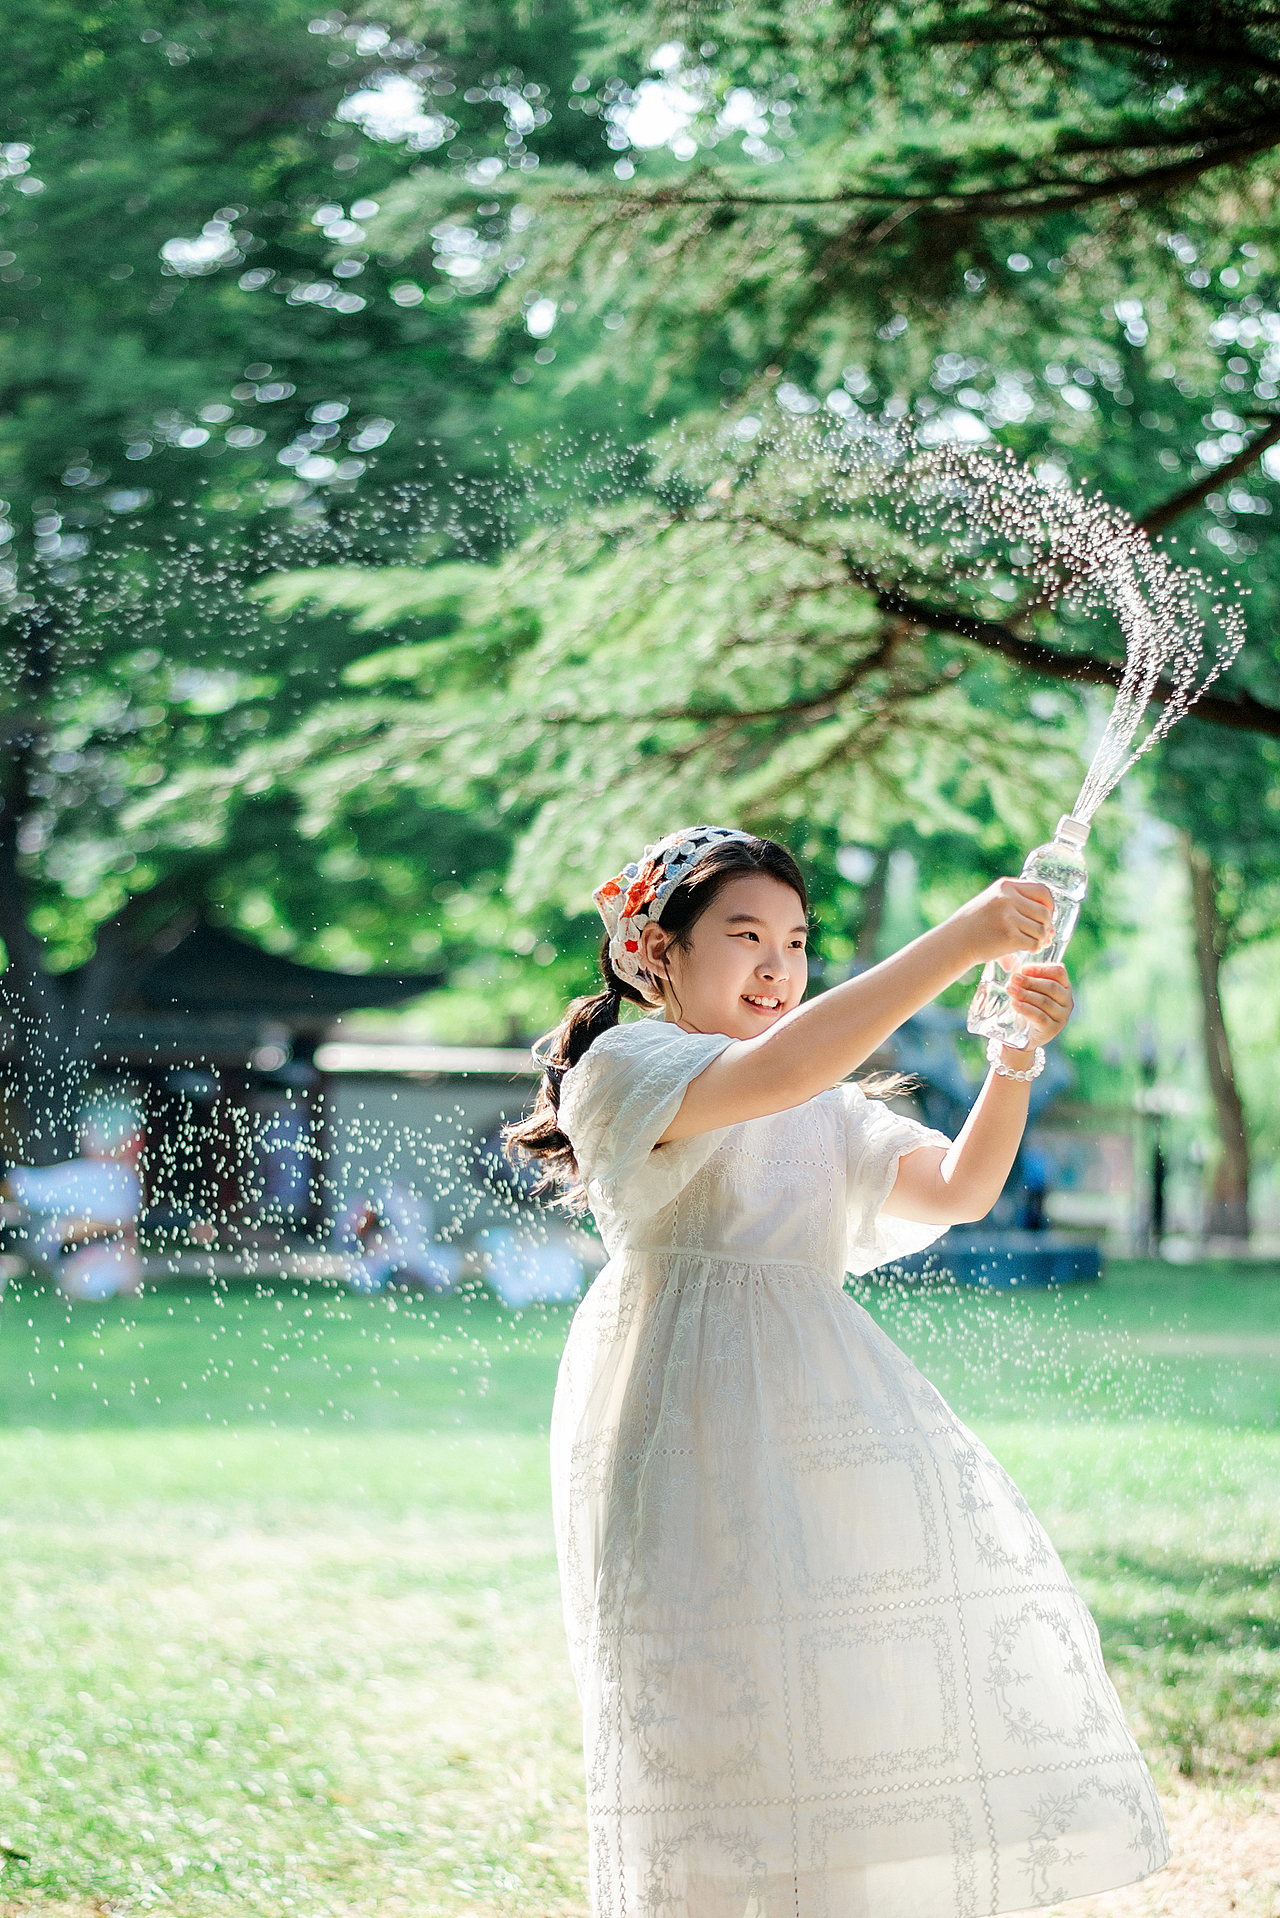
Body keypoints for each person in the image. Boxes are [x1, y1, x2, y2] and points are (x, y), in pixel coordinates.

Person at [504, 826, 1167, 1918]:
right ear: (653, 953)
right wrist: (957, 939)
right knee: (711, 1705)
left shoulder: (823, 1100)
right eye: (745, 936)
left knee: (841, 1696)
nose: (778, 964)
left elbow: (955, 1188)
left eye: (797, 941)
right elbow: (777, 1068)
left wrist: (1010, 1058)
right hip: (687, 1411)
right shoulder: (629, 1064)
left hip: (821, 1414)